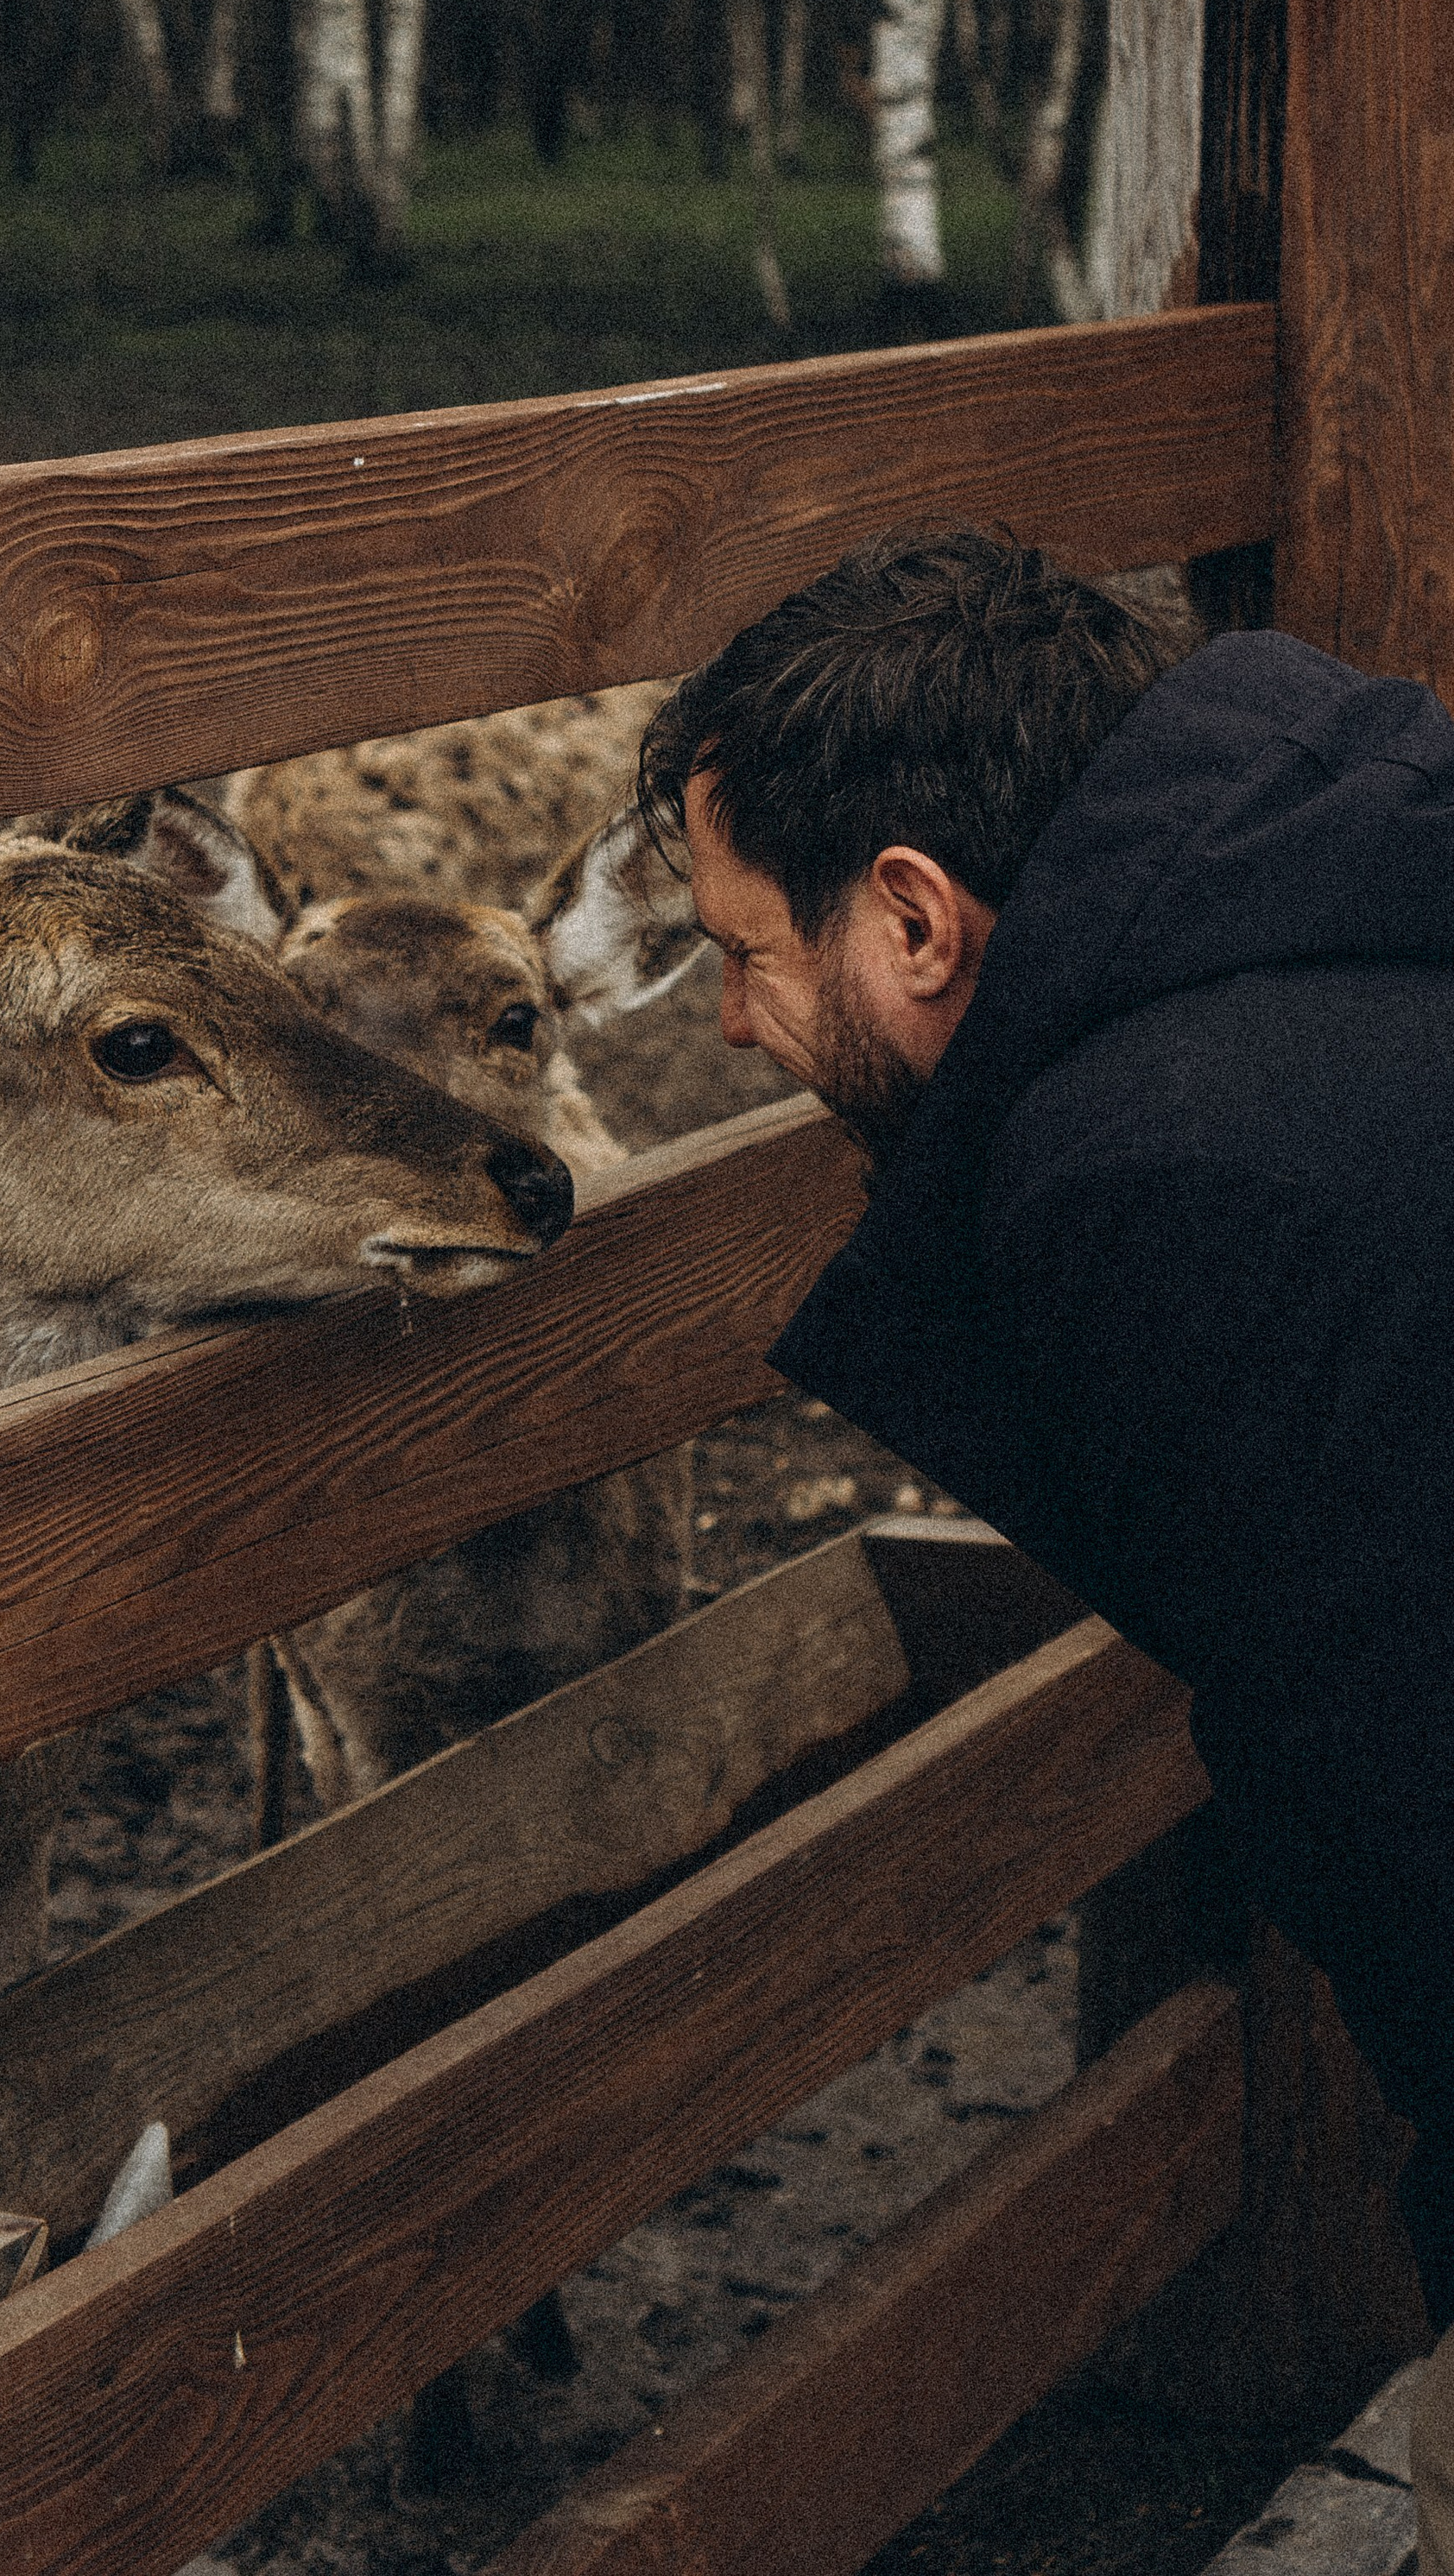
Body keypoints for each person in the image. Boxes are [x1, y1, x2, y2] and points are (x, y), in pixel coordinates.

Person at [638, 527, 1454, 2560]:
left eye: (743, 950)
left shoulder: (1170, 1179)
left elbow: (1406, 1801)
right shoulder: (1355, 887)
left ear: (910, 917)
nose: (733, 1028)